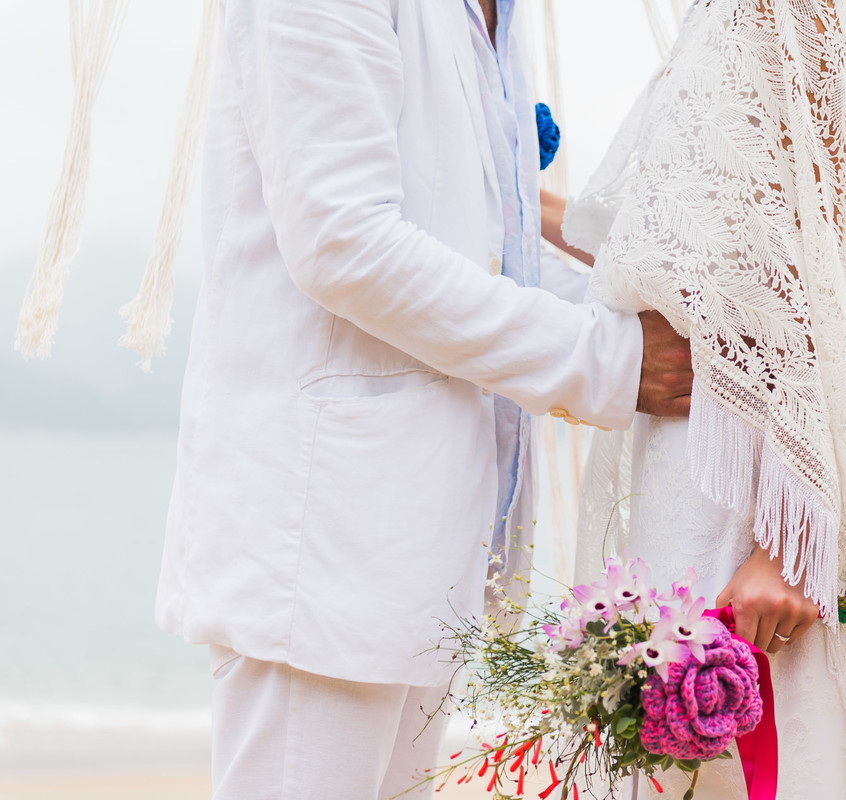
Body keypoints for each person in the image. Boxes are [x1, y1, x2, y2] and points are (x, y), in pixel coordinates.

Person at [151, 2, 692, 798]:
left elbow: (486, 251)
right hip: (322, 550)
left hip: (427, 555)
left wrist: (669, 330)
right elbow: (345, 243)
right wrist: (611, 360)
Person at [549, 0, 846, 797]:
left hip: (750, 475)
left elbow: (810, 252)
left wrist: (786, 542)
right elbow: (679, 248)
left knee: (765, 754)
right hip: (679, 453)